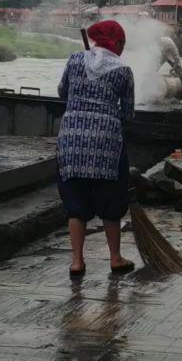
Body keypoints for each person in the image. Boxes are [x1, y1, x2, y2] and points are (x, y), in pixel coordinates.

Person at [56, 20, 136, 278]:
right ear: (118, 43)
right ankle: (115, 258)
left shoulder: (75, 59)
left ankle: (77, 261)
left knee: (75, 203)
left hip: (72, 141)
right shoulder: (123, 71)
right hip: (107, 145)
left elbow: (62, 92)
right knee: (111, 202)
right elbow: (128, 113)